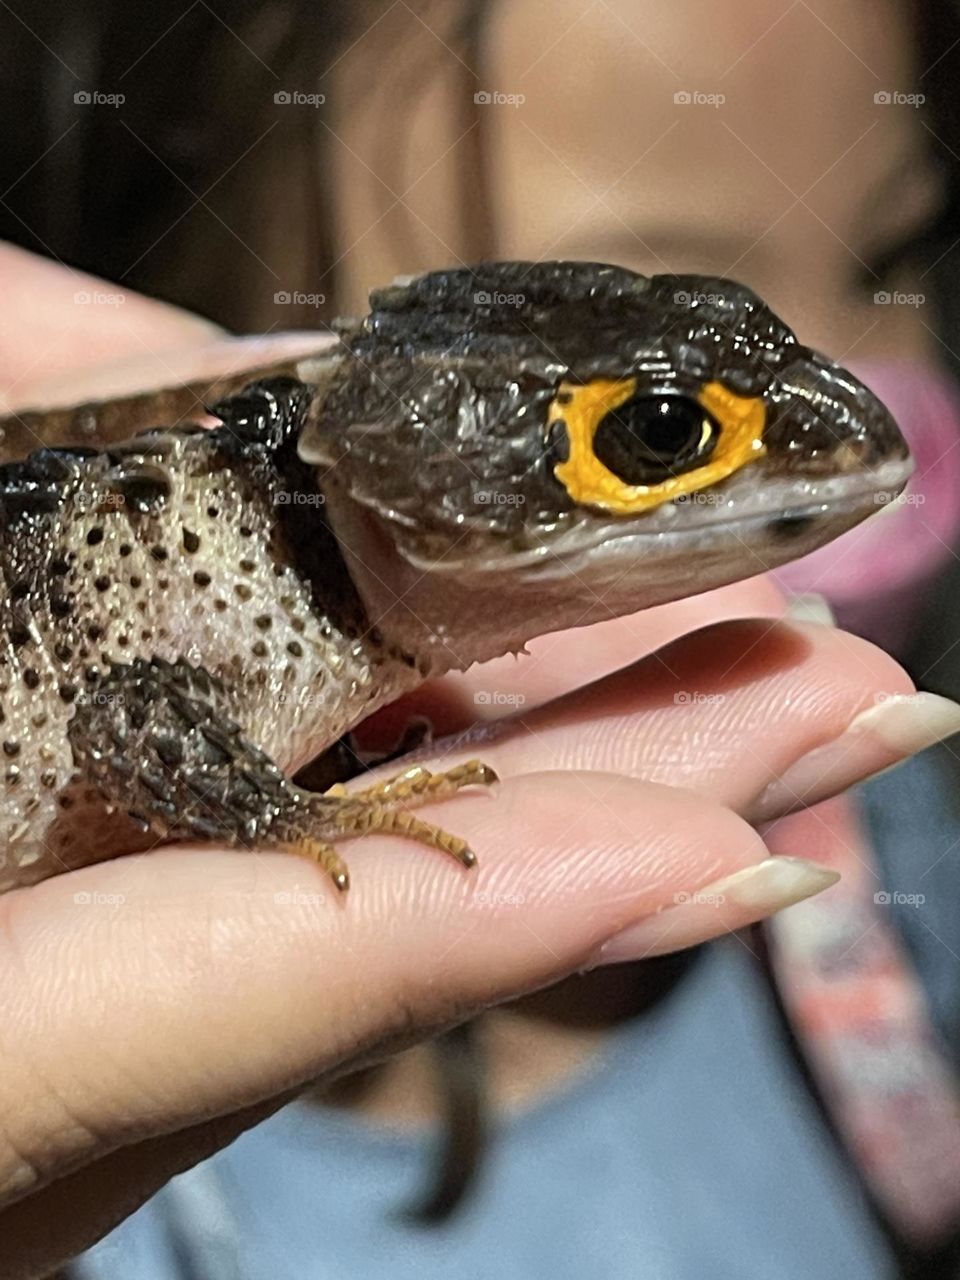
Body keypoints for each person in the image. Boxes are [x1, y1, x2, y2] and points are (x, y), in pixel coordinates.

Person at [1, 1, 960, 1276]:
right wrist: (300, 824)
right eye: (659, 433)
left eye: (897, 255)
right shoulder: (233, 583)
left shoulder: (887, 861)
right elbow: (133, 722)